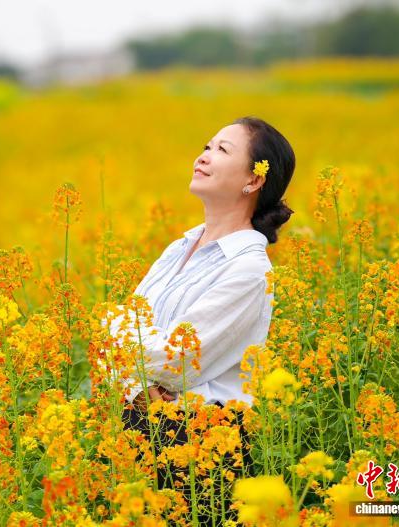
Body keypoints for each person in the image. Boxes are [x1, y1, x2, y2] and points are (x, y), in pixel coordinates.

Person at [109, 116, 296, 525]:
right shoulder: (180, 247)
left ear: (253, 181)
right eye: (207, 146)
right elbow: (115, 329)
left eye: (222, 150)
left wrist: (128, 360)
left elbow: (177, 360)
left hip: (201, 443)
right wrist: (138, 386)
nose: (204, 156)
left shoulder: (249, 269)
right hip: (138, 425)